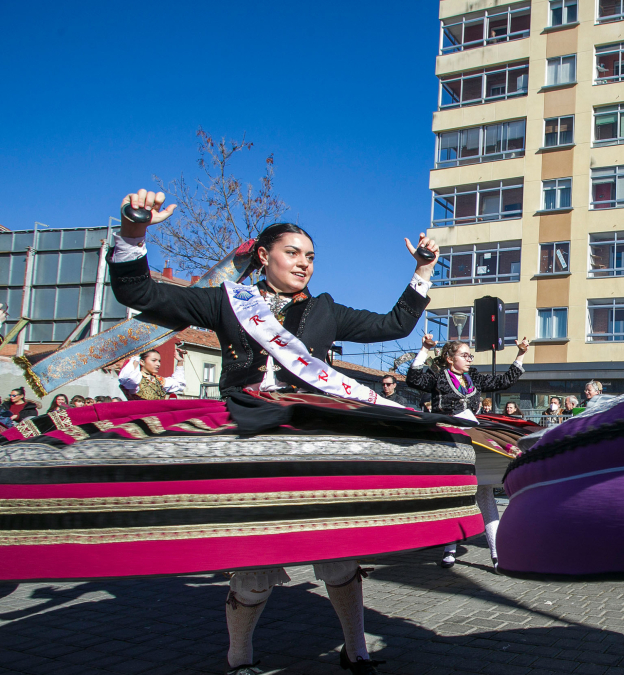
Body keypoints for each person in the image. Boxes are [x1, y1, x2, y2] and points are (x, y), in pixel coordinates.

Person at [104, 189, 441, 675]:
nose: (304, 264)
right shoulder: (227, 303)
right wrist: (135, 231)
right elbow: (139, 293)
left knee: (336, 551)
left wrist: (424, 268)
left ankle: (356, 650)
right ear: (263, 256)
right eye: (293, 253)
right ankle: (238, 659)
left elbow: (396, 324)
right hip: (250, 436)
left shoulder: (327, 310)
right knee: (255, 558)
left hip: (315, 436)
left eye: (310, 257)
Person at [406, 334, 533, 571]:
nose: (469, 359)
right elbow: (413, 379)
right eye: (464, 355)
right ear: (449, 358)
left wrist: (521, 354)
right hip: (449, 442)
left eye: (470, 355)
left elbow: (503, 382)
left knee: (484, 493)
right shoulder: (438, 376)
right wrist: (424, 350)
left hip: (474, 440)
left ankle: (497, 555)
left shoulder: (472, 376)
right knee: (454, 497)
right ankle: (449, 548)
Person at [118, 349, 186, 400]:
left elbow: (179, 384)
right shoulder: (136, 380)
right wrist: (136, 357)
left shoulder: (158, 380)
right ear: (142, 362)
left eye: (159, 361)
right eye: (154, 360)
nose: (158, 364)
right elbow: (131, 378)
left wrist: (180, 361)